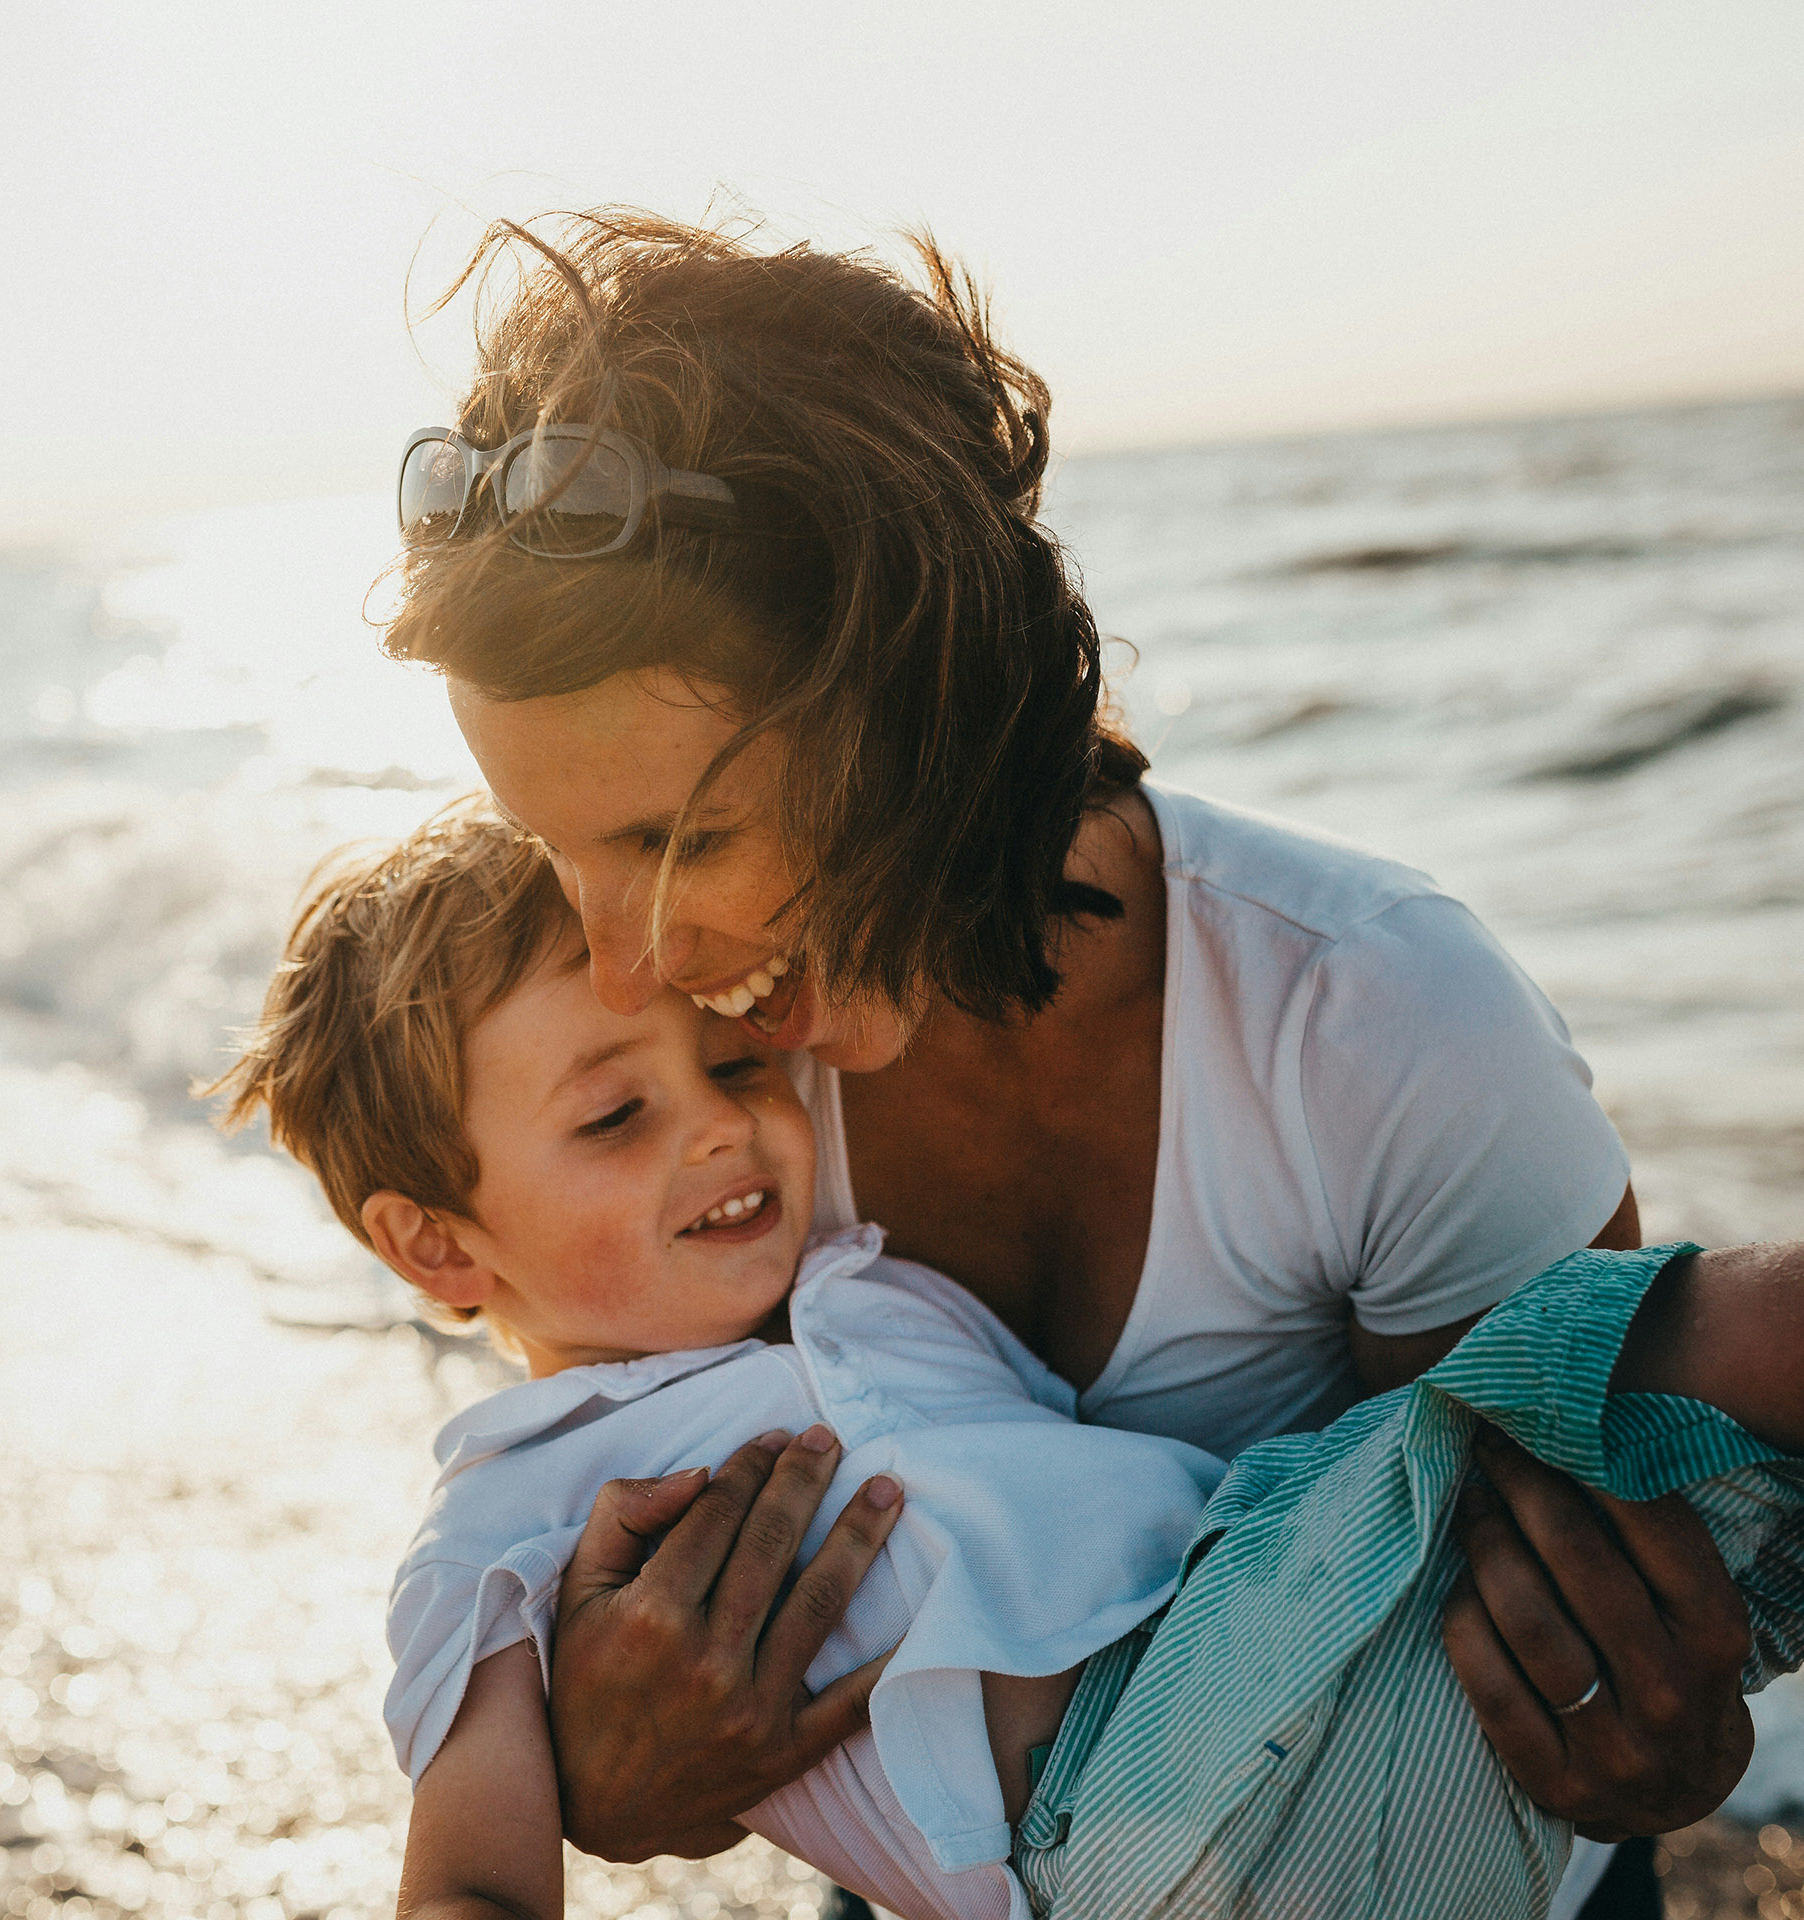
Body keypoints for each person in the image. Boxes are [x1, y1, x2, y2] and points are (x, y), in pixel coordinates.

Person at [376, 210, 1753, 1914]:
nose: (623, 960)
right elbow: (615, 1477)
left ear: (920, 704)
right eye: (553, 853)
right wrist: (618, 1770)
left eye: (680, 837)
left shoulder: (1371, 1023)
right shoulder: (697, 1091)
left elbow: (1572, 1610)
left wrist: (1664, 1747)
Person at [212, 807, 1803, 1920]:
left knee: (1725, 1451)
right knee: (1734, 1334)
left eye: (730, 1061)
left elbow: (1144, 1498)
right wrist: (594, 1789)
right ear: (435, 1247)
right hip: (1116, 1816)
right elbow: (472, 1881)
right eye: (614, 1116)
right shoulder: (510, 1517)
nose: (721, 1120)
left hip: (1301, 1697)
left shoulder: (868, 1290)